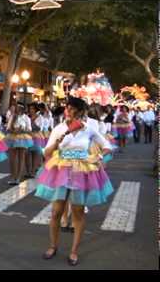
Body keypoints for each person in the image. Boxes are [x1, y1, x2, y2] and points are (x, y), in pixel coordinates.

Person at [35, 97, 114, 266]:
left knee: (78, 212)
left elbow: (107, 145)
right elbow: (46, 152)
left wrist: (99, 157)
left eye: (72, 109)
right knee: (56, 211)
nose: (68, 111)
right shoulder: (59, 128)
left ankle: (74, 251)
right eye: (67, 109)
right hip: (61, 170)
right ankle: (53, 246)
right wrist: (59, 139)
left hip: (81, 171)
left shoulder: (89, 129)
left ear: (79, 111)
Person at [5, 104, 33, 185]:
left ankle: (18, 177)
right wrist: (13, 130)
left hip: (23, 138)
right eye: (16, 108)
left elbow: (29, 130)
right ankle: (13, 176)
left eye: (18, 108)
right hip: (12, 137)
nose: (16, 109)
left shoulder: (26, 118)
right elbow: (8, 129)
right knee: (12, 159)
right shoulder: (12, 116)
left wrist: (22, 130)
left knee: (21, 157)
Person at [26, 103, 45, 179]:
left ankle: (33, 171)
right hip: (27, 137)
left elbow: (39, 128)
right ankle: (28, 171)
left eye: (33, 109)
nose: (31, 110)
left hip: (36, 137)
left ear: (36, 109)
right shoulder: (27, 117)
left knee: (35, 155)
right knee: (27, 155)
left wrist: (32, 121)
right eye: (30, 108)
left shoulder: (40, 117)